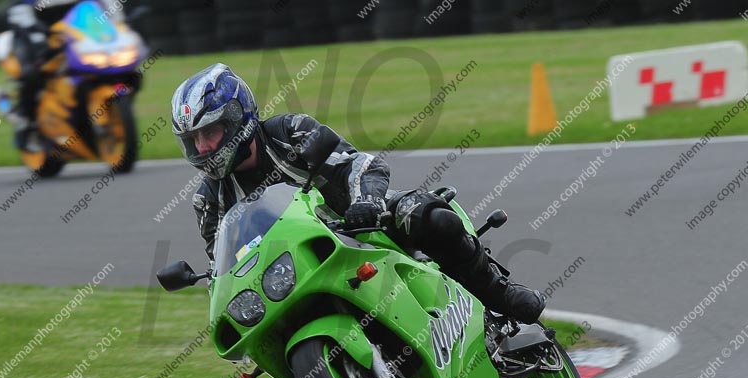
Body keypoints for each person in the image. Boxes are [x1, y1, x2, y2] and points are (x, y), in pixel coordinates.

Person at [172, 63, 546, 324]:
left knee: (434, 219)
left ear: (238, 119)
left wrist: (366, 202)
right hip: (301, 268)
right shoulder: (209, 201)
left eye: (211, 132)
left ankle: (497, 292)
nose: (203, 147)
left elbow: (359, 163)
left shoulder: (289, 132)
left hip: (365, 223)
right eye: (194, 140)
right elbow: (224, 262)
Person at [6, 0, 124, 150]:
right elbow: (21, 14)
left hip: (75, 33)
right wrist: (38, 37)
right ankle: (26, 125)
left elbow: (106, 6)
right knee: (32, 72)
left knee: (117, 62)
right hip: (33, 32)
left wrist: (119, 25)